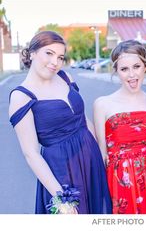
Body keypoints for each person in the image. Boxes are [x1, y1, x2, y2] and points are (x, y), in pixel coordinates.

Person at [9, 31, 112, 214]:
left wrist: (101, 154)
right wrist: (61, 196)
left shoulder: (66, 77)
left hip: (90, 158)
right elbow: (31, 153)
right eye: (49, 53)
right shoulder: (21, 96)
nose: (54, 62)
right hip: (62, 172)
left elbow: (82, 119)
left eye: (60, 57)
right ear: (32, 52)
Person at [93, 40, 146, 214]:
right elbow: (102, 154)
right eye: (124, 69)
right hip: (119, 181)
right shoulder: (103, 104)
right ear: (116, 72)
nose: (131, 75)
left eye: (136, 66)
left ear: (145, 67)